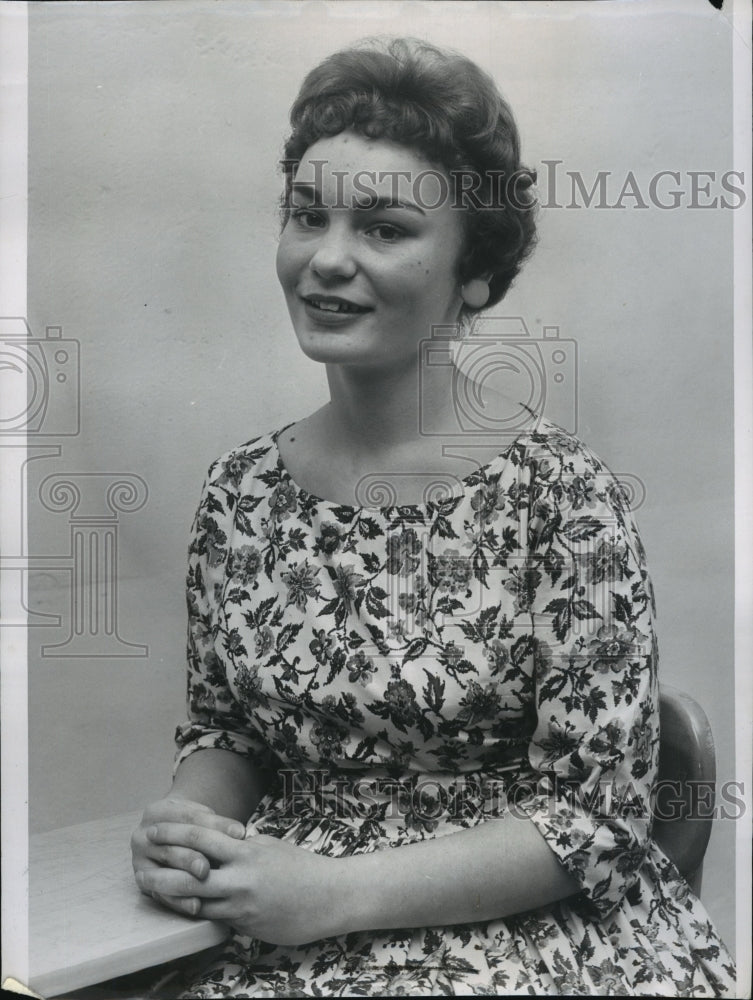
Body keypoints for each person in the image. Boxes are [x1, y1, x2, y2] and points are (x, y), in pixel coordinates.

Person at [130, 37, 736, 997]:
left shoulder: (561, 497)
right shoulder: (240, 491)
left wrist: (334, 894)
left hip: (528, 934)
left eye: (383, 228)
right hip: (286, 911)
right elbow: (229, 736)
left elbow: (594, 819)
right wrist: (189, 822)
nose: (326, 258)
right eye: (306, 216)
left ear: (475, 273)